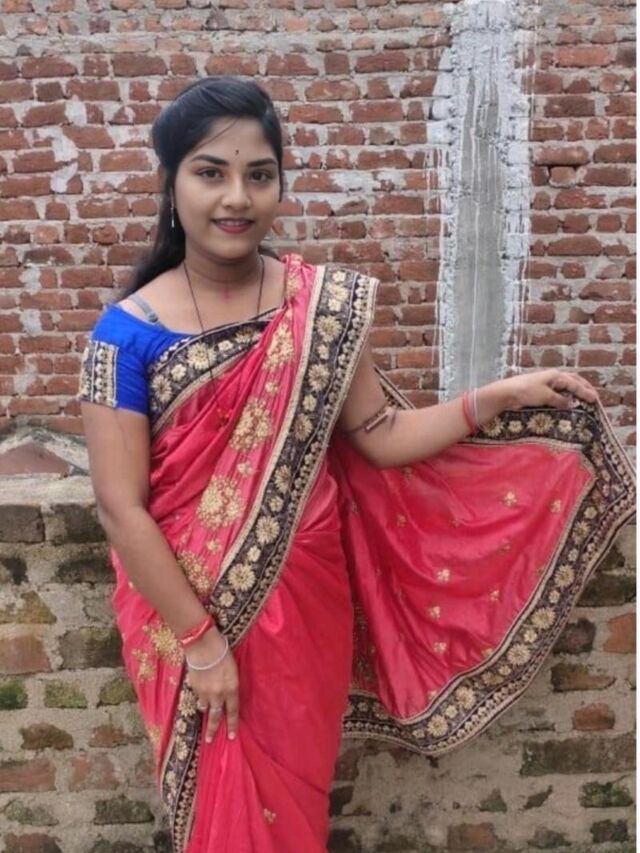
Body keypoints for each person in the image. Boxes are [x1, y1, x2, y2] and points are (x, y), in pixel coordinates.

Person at [78, 76, 635, 853]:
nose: (237, 197)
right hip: (189, 619)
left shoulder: (319, 307)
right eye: (210, 172)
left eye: (260, 174)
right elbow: (120, 507)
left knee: (295, 808)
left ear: (279, 184)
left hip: (307, 599)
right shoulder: (123, 337)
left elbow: (380, 432)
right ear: (171, 183)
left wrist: (500, 396)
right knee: (220, 813)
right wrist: (202, 641)